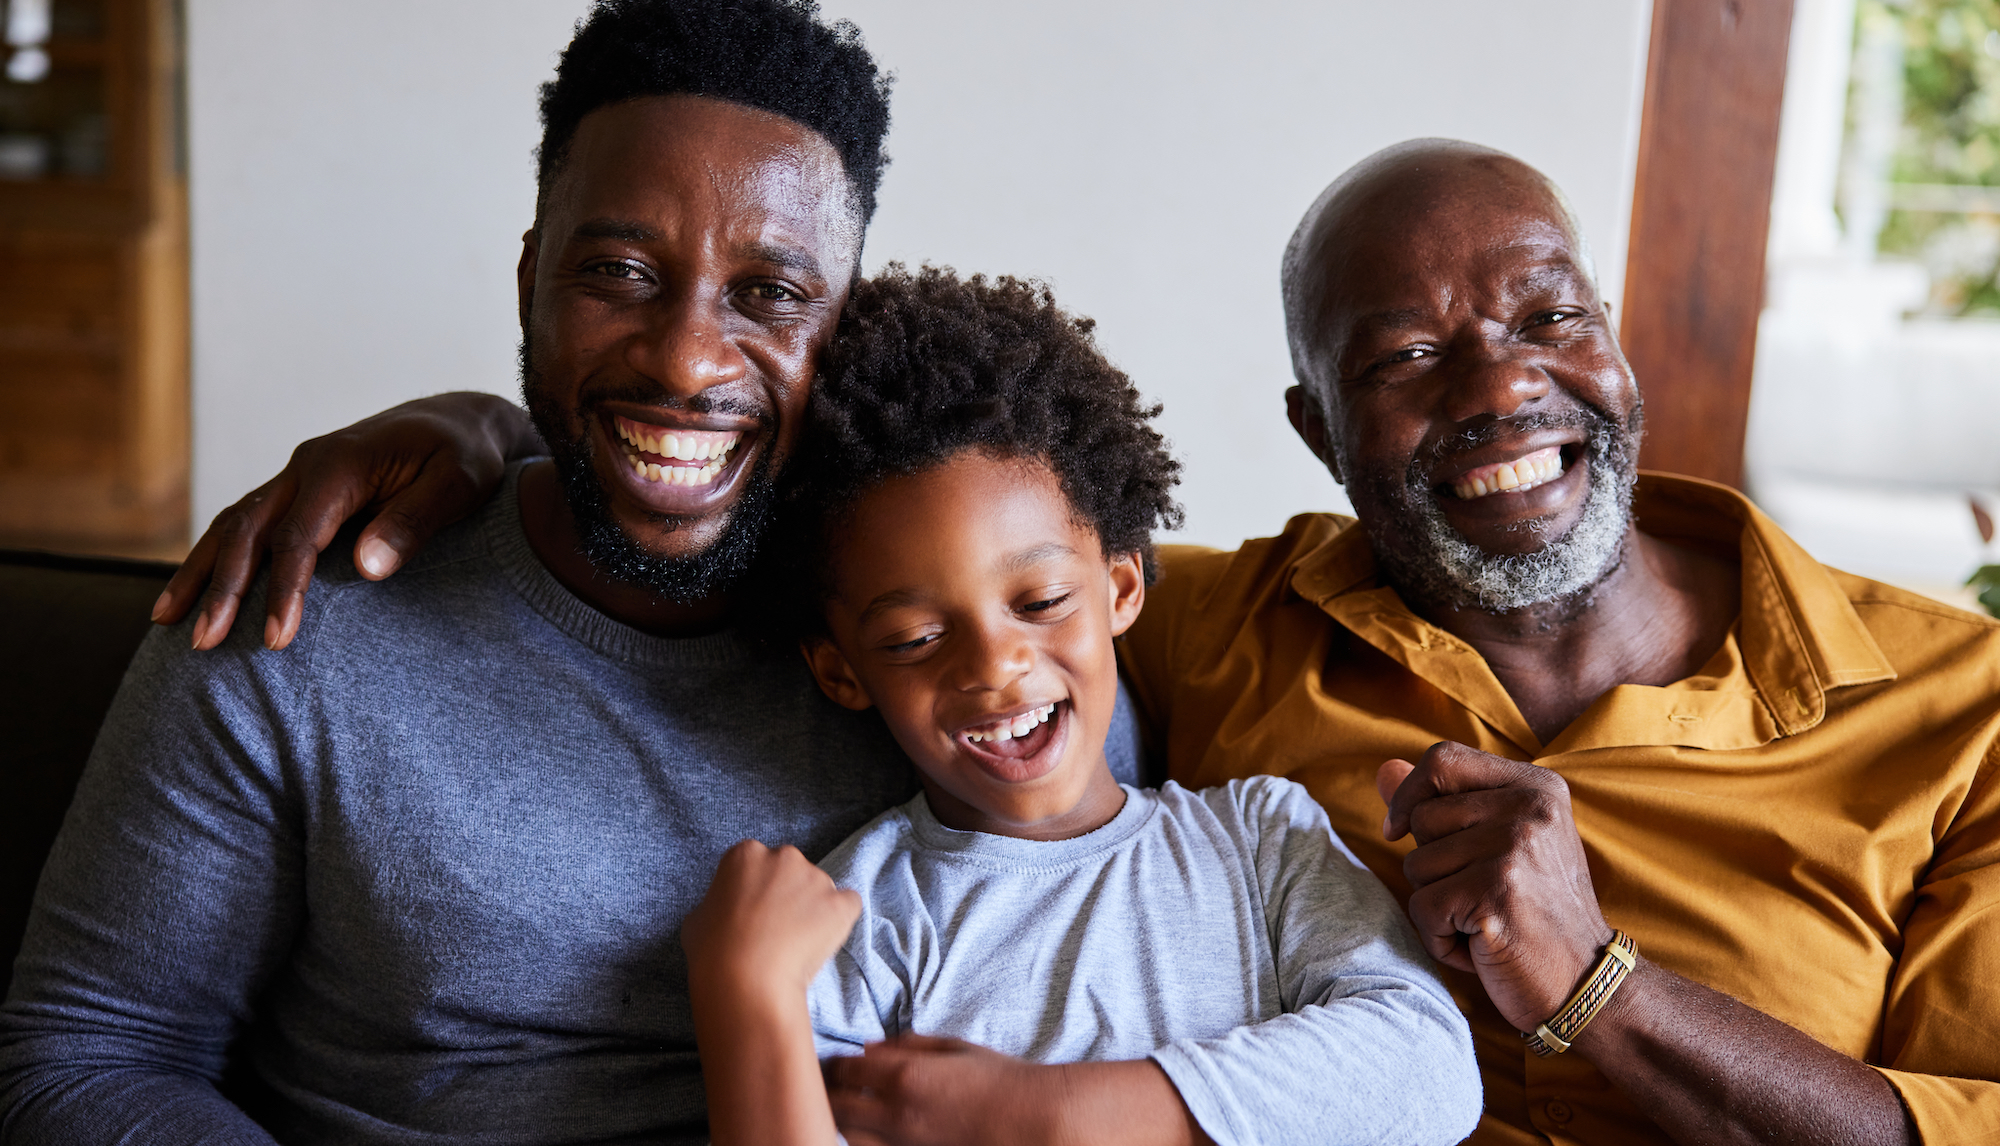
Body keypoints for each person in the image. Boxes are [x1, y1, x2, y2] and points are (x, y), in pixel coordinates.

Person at [164, 140, 2000, 1145]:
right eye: (1405, 358)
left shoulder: (1954, 707)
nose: (1502, 384)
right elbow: (854, 496)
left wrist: (1597, 986)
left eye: (1545, 317)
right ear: (1318, 436)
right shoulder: (1209, 617)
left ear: (1614, 335)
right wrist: (478, 438)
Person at [679, 266, 1481, 1146]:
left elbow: (1429, 1073)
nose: (996, 665)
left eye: (1041, 602)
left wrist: (1053, 1115)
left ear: (1123, 588)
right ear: (841, 672)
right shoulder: (854, 919)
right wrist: (743, 995)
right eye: (914, 638)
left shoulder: (1261, 842)